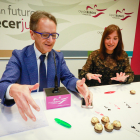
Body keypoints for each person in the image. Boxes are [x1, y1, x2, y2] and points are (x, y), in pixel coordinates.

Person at [0, 11, 93, 122]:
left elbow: (68, 78)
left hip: (53, 112)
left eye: (53, 35)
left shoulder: (58, 57)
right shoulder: (19, 56)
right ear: (32, 34)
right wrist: (12, 89)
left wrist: (78, 84)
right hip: (27, 113)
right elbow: (3, 85)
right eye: (45, 35)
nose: (50, 40)